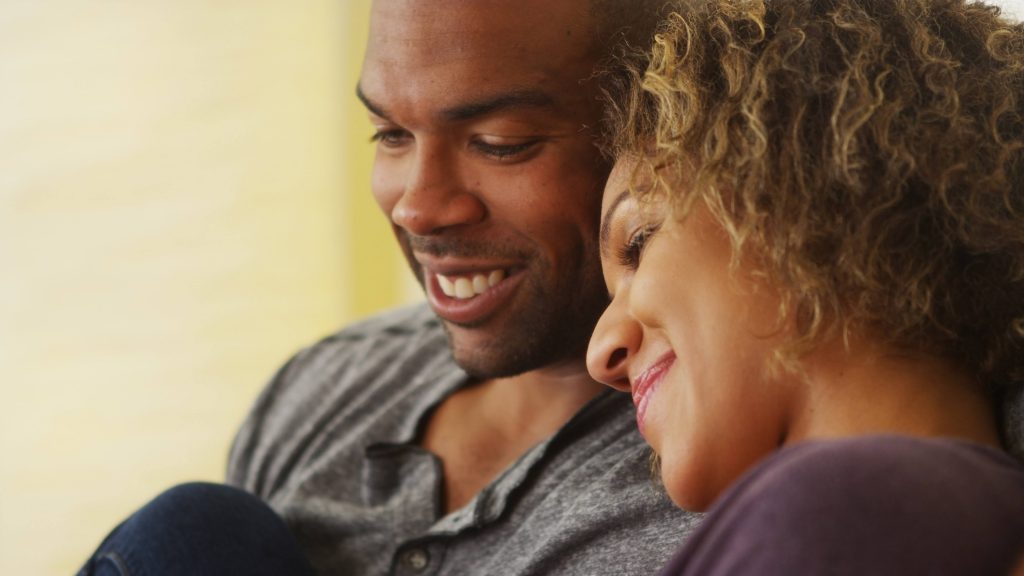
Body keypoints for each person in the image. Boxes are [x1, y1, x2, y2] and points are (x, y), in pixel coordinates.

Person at [78, 1, 700, 575]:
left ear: (665, 138)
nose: (416, 209)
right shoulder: (326, 385)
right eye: (391, 134)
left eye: (499, 144)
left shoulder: (710, 485)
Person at [587, 0, 1024, 573]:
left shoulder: (832, 512)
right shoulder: (953, 509)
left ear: (811, 187)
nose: (601, 354)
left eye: (639, 243)